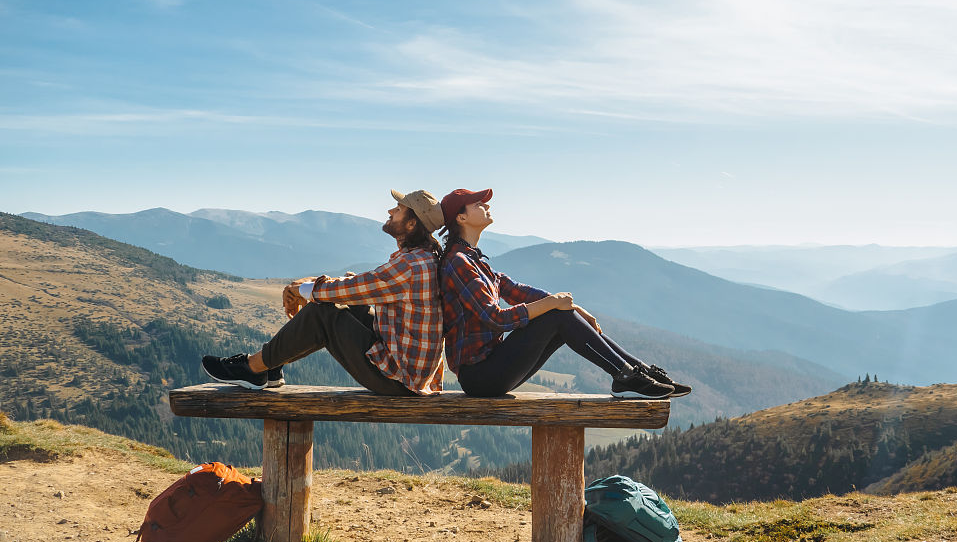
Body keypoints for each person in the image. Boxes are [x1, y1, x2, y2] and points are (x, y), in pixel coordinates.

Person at [437, 187, 690, 399]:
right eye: (477, 203)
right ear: (461, 218)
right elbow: (497, 318)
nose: (486, 206)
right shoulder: (458, 262)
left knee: (559, 314)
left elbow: (515, 290)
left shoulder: (474, 260)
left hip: (492, 369)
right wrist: (555, 304)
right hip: (480, 377)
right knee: (555, 316)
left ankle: (638, 371)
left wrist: (571, 306)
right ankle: (624, 376)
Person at [202, 189, 445, 396]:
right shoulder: (420, 260)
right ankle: (270, 368)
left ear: (412, 224)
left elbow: (355, 288)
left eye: (398, 209)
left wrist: (301, 290)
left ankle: (253, 368)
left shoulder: (410, 266)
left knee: (322, 314)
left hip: (401, 380)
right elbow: (365, 284)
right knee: (341, 304)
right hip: (411, 373)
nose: (390, 211)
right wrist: (309, 285)